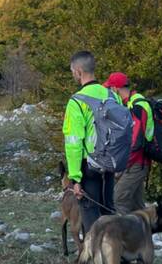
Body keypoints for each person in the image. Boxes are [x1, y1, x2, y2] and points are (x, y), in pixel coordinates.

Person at [63, 50, 116, 234]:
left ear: (79, 71)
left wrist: (75, 178)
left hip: (89, 167)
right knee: (108, 213)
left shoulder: (76, 102)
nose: (73, 75)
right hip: (110, 164)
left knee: (91, 218)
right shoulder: (112, 96)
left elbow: (73, 143)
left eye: (72, 71)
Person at [104, 72, 153, 214]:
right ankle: (143, 234)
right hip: (139, 162)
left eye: (110, 89)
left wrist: (121, 165)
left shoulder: (138, 106)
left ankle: (124, 234)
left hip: (136, 163)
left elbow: (135, 141)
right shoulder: (134, 103)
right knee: (136, 205)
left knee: (119, 199)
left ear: (115, 89)